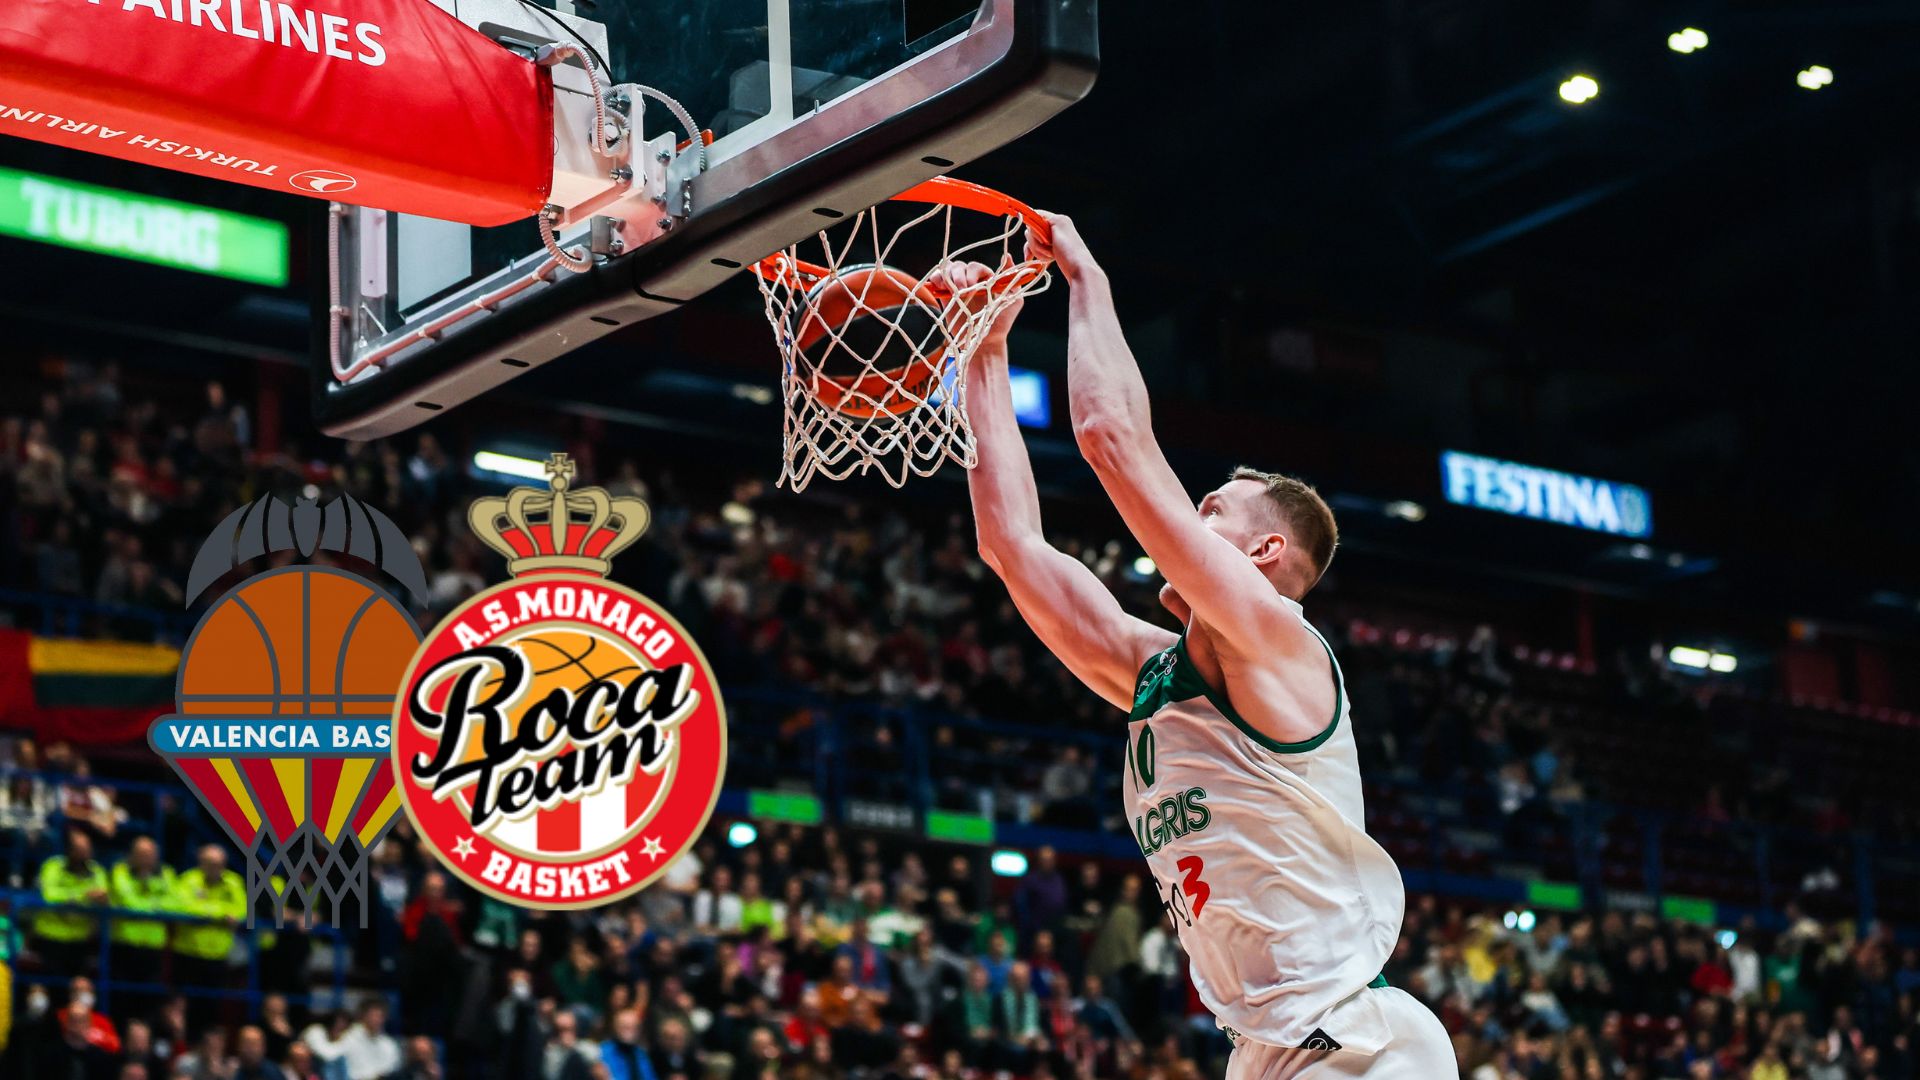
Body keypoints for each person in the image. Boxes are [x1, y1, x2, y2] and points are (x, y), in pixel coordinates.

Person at [954, 222, 1455, 1078]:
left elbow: (1111, 436)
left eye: (1214, 507)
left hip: (1360, 1045)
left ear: (1262, 558)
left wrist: (1086, 275)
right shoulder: (1153, 675)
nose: (1190, 514)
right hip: (1265, 1050)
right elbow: (1011, 545)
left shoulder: (1276, 641)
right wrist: (983, 351)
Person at [34, 827, 109, 976]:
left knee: (77, 986)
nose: (84, 854)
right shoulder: (53, 866)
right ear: (69, 850)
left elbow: (102, 894)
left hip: (80, 939)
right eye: (79, 849)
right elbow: (50, 895)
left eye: (86, 849)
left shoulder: (97, 871)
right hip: (50, 936)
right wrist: (82, 897)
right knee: (51, 985)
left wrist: (79, 899)